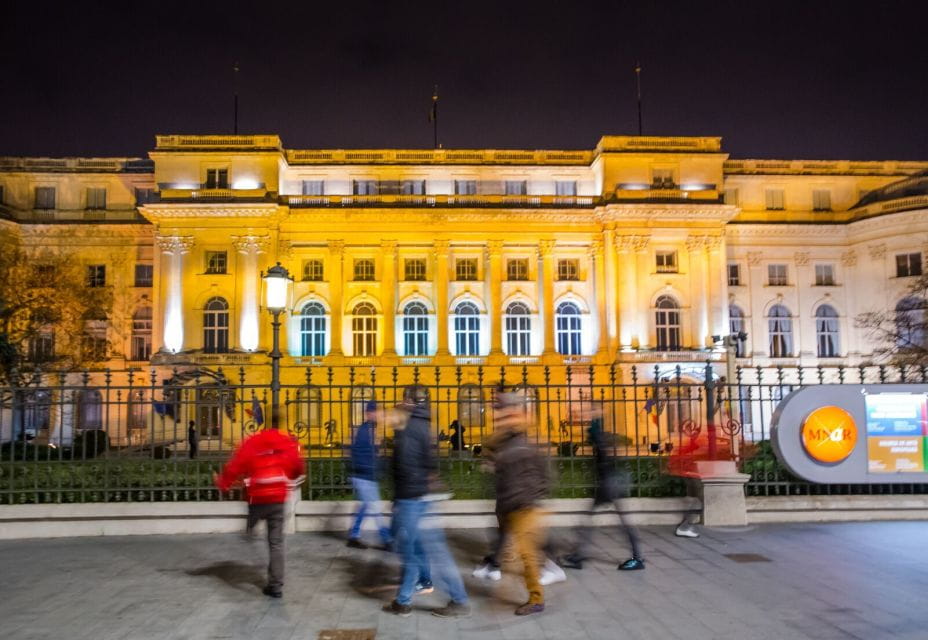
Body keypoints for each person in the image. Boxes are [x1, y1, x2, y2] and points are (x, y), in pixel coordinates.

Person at [383, 397, 470, 618]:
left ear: (402, 414)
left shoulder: (407, 434)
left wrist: (400, 500)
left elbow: (406, 468)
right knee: (420, 550)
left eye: (392, 414)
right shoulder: (420, 426)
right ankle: (403, 600)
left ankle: (456, 600)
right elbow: (428, 463)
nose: (389, 419)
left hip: (413, 499)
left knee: (420, 551)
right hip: (421, 498)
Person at [214, 428, 303, 598]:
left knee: (254, 515)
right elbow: (297, 466)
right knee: (276, 543)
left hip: (258, 497)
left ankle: (251, 526)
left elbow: (235, 466)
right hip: (278, 497)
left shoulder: (252, 443)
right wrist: (292, 476)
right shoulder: (285, 443)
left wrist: (223, 483)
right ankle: (276, 586)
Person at [559, 406, 644, 571]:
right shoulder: (601, 435)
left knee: (611, 521)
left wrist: (593, 415)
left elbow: (595, 433)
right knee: (604, 520)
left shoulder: (599, 434)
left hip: (609, 483)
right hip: (608, 482)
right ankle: (579, 555)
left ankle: (637, 557)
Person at [347, 401, 391, 549]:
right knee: (375, 507)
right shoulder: (365, 430)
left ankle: (354, 536)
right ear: (369, 413)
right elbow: (359, 453)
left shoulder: (370, 429)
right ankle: (387, 540)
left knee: (365, 506)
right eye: (375, 412)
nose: (378, 414)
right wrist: (372, 465)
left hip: (366, 475)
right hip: (364, 475)